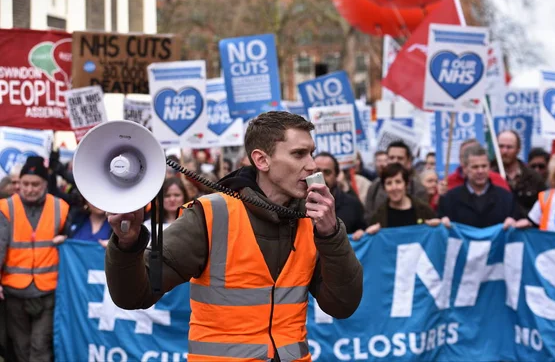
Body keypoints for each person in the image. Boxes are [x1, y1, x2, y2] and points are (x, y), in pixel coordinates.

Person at [104, 111, 362, 362]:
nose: (312, 165)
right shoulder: (209, 216)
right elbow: (135, 295)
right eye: (299, 154)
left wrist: (331, 235)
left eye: (311, 153)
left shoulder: (314, 221)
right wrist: (127, 243)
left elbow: (343, 305)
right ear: (261, 160)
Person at [0, 157, 70, 362]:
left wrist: (66, 240)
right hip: (15, 291)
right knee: (20, 345)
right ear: (19, 184)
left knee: (40, 346)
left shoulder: (61, 208)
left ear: (45, 185)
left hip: (47, 291)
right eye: (25, 184)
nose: (30, 189)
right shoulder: (5, 208)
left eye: (35, 184)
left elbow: (73, 243)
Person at [438, 144, 526, 229]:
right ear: (465, 169)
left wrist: (514, 222)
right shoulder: (450, 199)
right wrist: (443, 222)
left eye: (484, 166)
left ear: (489, 167)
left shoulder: (506, 198)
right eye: (475, 167)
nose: (480, 171)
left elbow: (519, 223)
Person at [354, 164, 441, 240]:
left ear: (406, 184)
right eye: (389, 183)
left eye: (398, 182)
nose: (394, 187)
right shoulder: (378, 217)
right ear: (384, 187)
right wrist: (365, 235)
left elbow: (438, 237)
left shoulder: (424, 210)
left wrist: (441, 225)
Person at [364, 141, 428, 222]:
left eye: (400, 158)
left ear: (408, 162)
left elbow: (425, 217)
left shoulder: (418, 188)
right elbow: (368, 217)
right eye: (391, 158)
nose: (395, 161)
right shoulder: (374, 187)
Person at [492, 130, 547, 215]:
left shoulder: (533, 177)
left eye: (509, 147)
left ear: (518, 149)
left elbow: (543, 207)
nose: (504, 151)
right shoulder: (488, 175)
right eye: (501, 146)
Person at [314, 152, 366, 234]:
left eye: (327, 172)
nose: (321, 177)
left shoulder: (353, 204)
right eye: (316, 171)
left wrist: (361, 233)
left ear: (336, 175)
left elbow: (364, 232)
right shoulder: (299, 205)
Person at [445, 139, 510, 193]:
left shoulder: (497, 179)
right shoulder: (448, 182)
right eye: (465, 156)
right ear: (460, 159)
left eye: (484, 166)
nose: (480, 171)